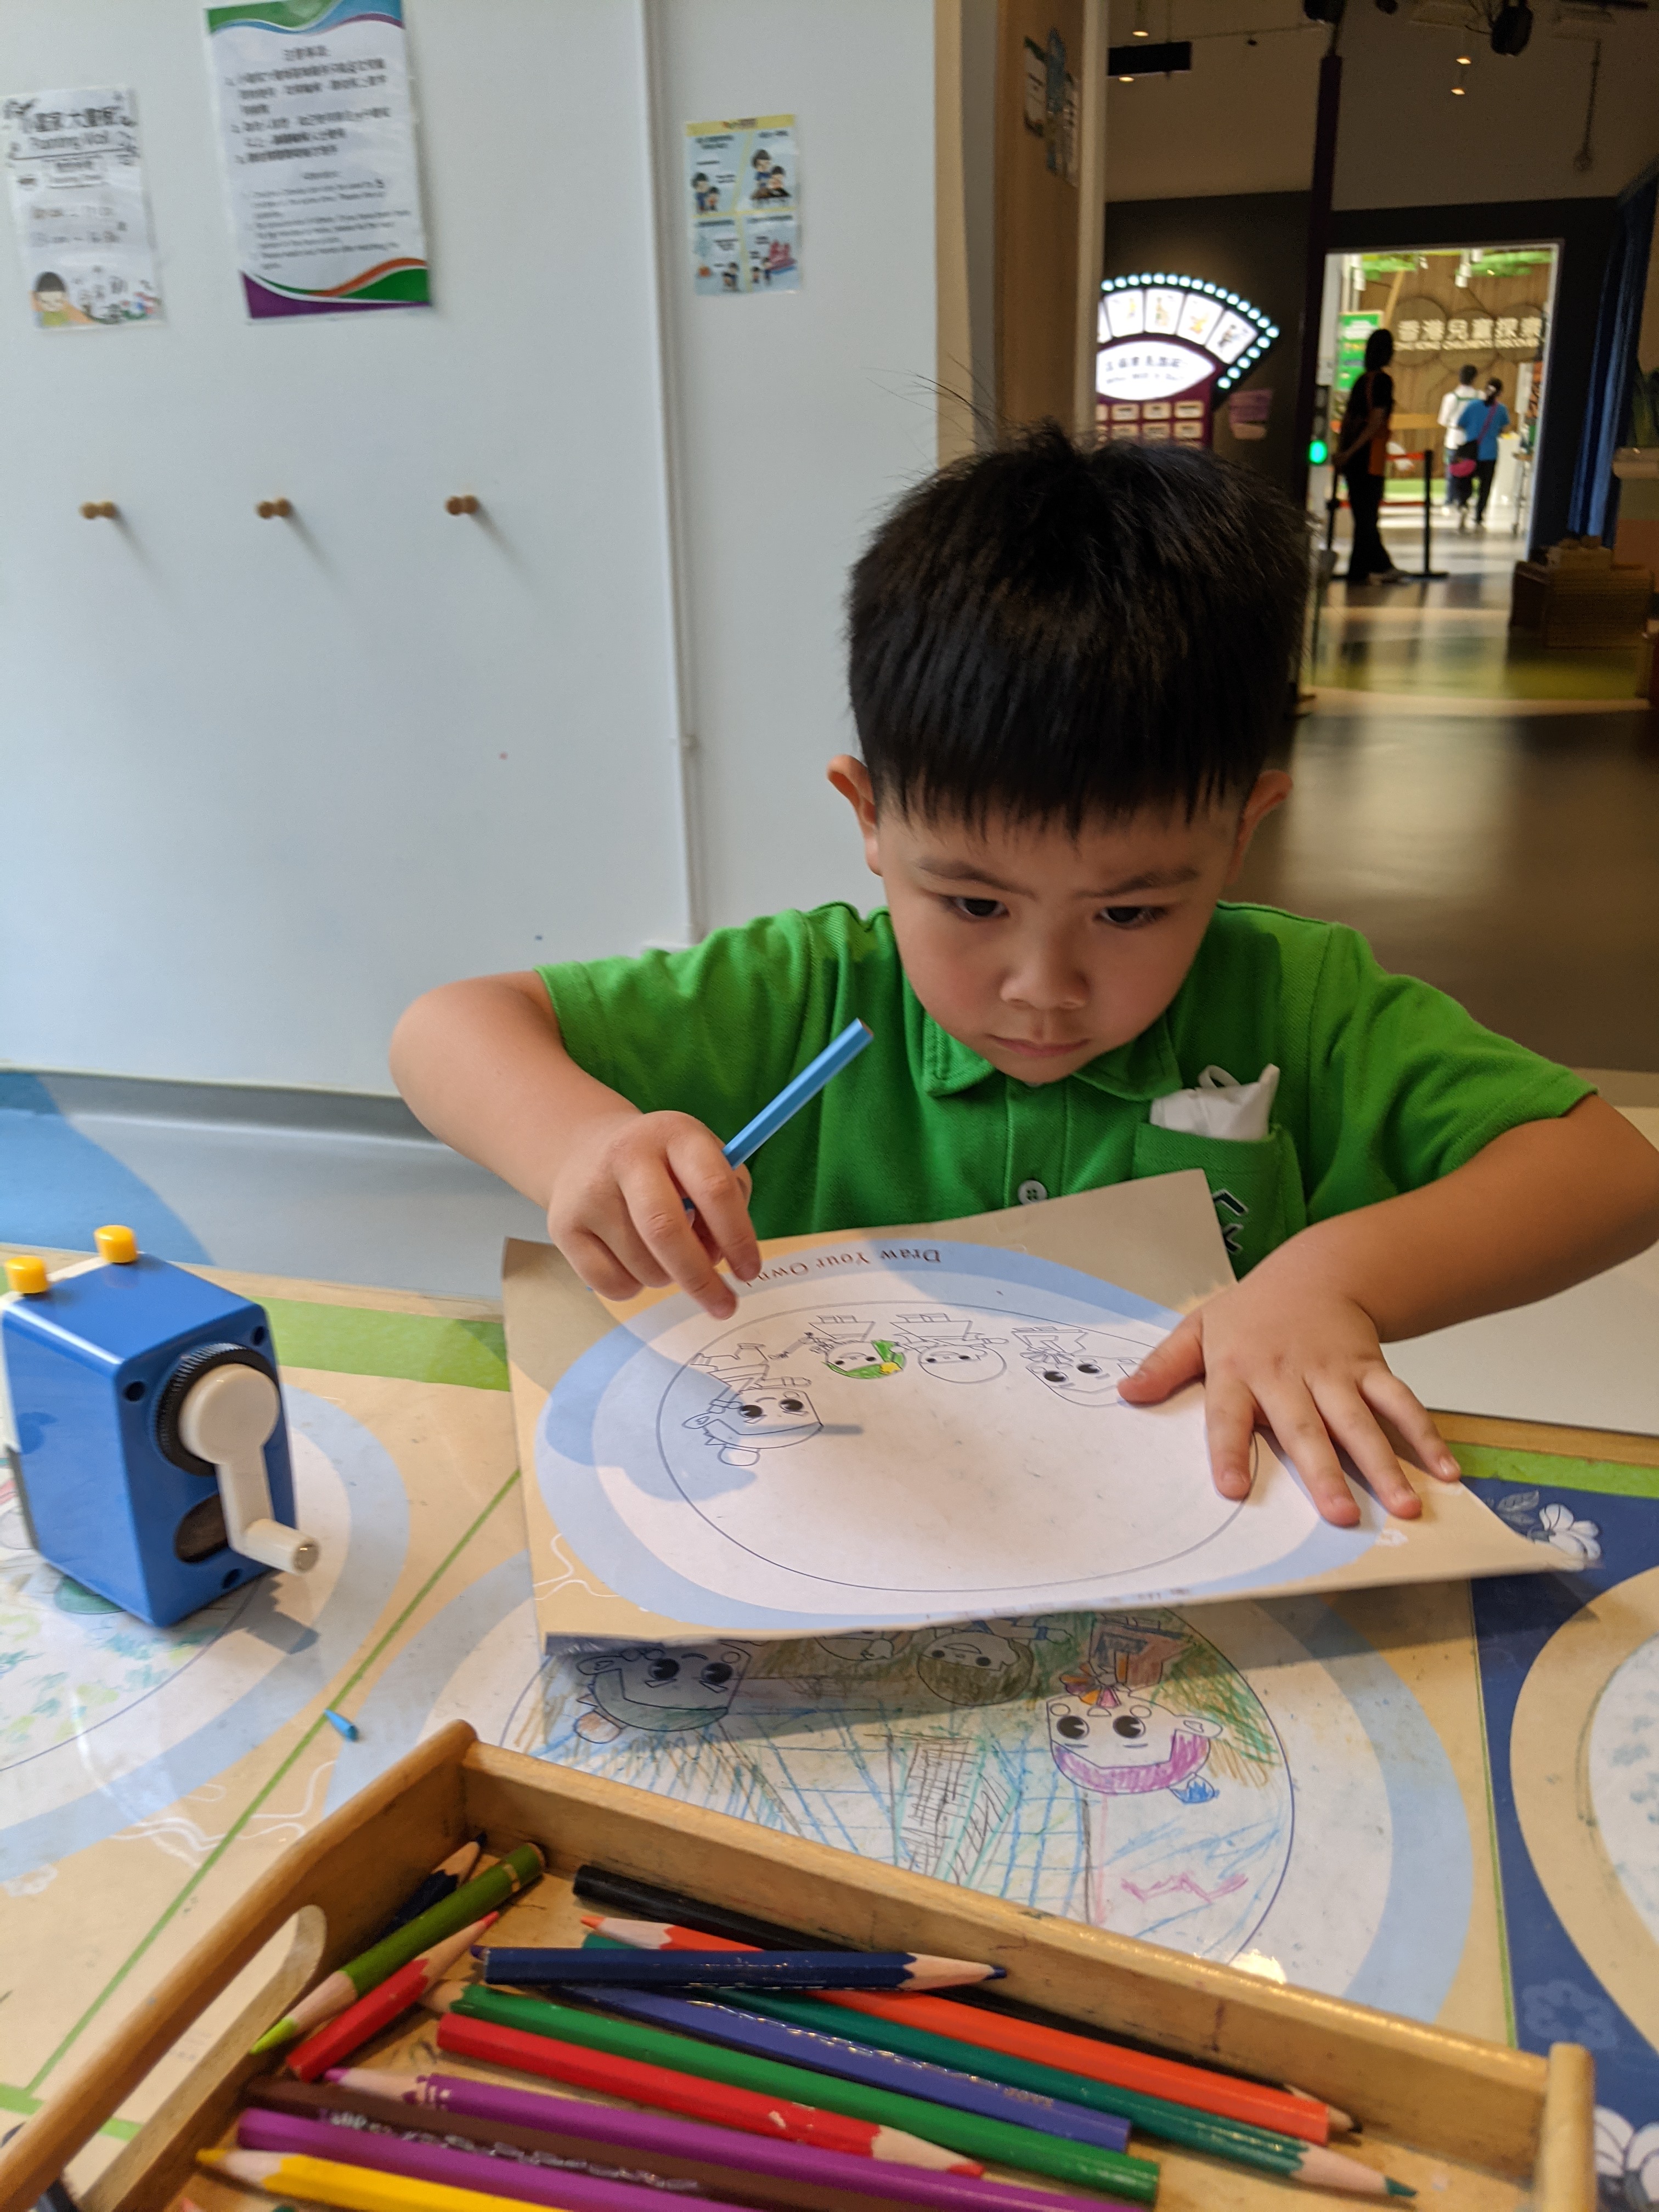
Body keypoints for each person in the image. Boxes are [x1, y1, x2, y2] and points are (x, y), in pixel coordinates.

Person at [391, 432, 1659, 1528]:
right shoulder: (807, 990)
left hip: (1192, 1541)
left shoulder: (1299, 999)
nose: (1043, 987)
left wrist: (1332, 1280)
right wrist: (585, 1143)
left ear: (1241, 833)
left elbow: (1612, 1173)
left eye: (1129, 911)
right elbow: (446, 1030)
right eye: (974, 905)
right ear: (869, 818)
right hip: (853, 1516)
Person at [1333, 328, 1404, 584]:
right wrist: (1353, 450)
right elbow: (1375, 422)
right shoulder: (1383, 382)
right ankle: (1376, 567)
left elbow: (1348, 420)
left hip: (1353, 458)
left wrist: (1343, 452)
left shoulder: (1361, 381)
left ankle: (1363, 569)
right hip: (1369, 457)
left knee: (1362, 516)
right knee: (1367, 517)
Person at [1454, 378, 1510, 529]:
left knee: (1465, 480)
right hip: (1490, 454)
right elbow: (1503, 429)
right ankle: (1479, 515)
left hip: (1470, 453)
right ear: (1500, 393)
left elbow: (1460, 425)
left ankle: (1464, 504)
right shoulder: (1502, 410)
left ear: (1485, 389)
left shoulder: (1472, 405)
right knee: (1485, 486)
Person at [1438, 366, 1480, 508]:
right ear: (1475, 379)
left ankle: (1450, 499)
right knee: (1469, 471)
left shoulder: (1451, 398)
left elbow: (1443, 420)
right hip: (1472, 439)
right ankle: (1465, 500)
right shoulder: (1480, 396)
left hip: (1454, 439)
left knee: (1452, 470)